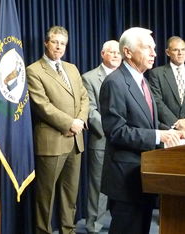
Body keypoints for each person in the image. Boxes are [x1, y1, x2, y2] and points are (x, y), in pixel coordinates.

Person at [99, 27, 185, 234]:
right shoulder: (115, 83)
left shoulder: (142, 80)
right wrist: (159, 136)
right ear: (128, 52)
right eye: (148, 48)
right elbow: (116, 131)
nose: (154, 54)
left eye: (154, 49)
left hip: (145, 175)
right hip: (125, 180)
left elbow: (146, 123)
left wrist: (171, 130)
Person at [26, 26, 89, 234]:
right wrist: (69, 123)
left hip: (75, 141)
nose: (59, 47)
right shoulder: (33, 70)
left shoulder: (71, 68)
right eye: (55, 42)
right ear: (46, 43)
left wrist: (79, 120)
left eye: (62, 43)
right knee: (46, 196)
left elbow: (84, 97)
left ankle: (68, 230)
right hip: (51, 142)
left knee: (69, 194)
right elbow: (42, 105)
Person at [82, 40, 122, 233]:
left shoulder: (126, 77)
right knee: (98, 185)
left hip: (125, 141)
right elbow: (90, 110)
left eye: (118, 53)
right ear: (102, 54)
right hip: (102, 139)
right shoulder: (89, 78)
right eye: (111, 52)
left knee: (123, 183)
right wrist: (112, 129)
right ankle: (93, 225)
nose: (115, 55)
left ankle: (120, 221)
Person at [148, 36, 185, 138]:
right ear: (167, 52)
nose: (180, 53)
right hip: (168, 132)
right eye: (176, 50)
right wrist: (176, 123)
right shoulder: (157, 73)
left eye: (183, 49)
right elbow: (156, 101)